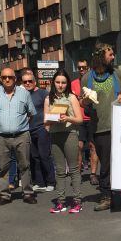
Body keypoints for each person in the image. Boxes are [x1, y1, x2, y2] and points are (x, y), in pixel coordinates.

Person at [80, 43, 121, 211]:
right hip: (99, 128)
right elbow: (82, 102)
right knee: (105, 165)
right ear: (100, 57)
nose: (113, 57)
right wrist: (85, 101)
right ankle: (106, 197)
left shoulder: (117, 73)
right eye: (110, 54)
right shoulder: (87, 78)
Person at [0, 67, 37, 205]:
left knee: (25, 165)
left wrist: (22, 125)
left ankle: (28, 193)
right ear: (1, 79)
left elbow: (31, 113)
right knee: (2, 167)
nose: (7, 79)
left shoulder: (24, 93)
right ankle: (4, 195)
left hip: (22, 135)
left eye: (10, 77)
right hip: (1, 137)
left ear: (15, 79)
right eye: (4, 77)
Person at [44, 70, 83, 213]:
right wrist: (51, 119)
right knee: (59, 171)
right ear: (53, 82)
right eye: (58, 82)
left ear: (67, 83)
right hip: (55, 135)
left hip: (70, 134)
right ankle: (60, 202)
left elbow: (79, 119)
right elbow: (45, 122)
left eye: (64, 82)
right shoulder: (49, 99)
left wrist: (67, 118)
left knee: (73, 169)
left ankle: (77, 201)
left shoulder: (72, 97)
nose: (60, 85)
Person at [21, 68, 55, 192]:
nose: (27, 83)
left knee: (44, 155)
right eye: (25, 82)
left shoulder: (42, 93)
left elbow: (52, 108)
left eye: (30, 81)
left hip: (42, 128)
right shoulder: (22, 95)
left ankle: (51, 181)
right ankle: (40, 182)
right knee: (34, 157)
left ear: (35, 82)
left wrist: (49, 126)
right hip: (28, 130)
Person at [72, 59, 99, 186]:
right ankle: (77, 174)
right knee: (79, 147)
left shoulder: (94, 82)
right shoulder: (73, 84)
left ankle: (93, 174)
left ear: (88, 68)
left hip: (93, 119)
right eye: (79, 68)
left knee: (93, 147)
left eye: (84, 67)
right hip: (79, 119)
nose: (81, 70)